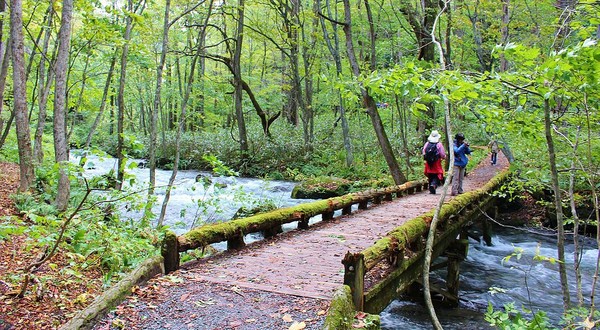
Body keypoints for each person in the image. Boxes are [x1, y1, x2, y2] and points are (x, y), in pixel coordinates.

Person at [422, 130, 446, 194]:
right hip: (436, 162)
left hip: (428, 162)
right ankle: (434, 185)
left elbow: (424, 152)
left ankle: (431, 187)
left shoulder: (427, 144)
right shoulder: (439, 144)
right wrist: (444, 157)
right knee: (438, 174)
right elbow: (442, 154)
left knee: (430, 175)